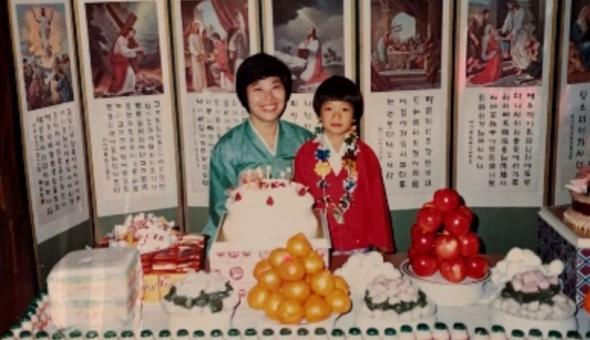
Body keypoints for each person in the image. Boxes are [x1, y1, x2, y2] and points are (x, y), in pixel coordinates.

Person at [202, 53, 313, 249]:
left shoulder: (304, 140)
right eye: (258, 89)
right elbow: (220, 210)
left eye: (275, 87)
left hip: (296, 241)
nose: (268, 97)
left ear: (286, 91)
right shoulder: (228, 148)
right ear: (244, 95)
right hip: (244, 243)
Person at [294, 76, 394, 254]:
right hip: (318, 243)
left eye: (345, 109)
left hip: (360, 240)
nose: (336, 116)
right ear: (319, 113)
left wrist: (382, 241)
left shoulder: (365, 154)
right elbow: (299, 201)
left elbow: (376, 200)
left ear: (354, 114)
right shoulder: (306, 154)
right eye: (329, 108)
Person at [108, 27, 143, 96]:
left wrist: (134, 54)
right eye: (132, 32)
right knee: (119, 77)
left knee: (131, 73)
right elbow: (123, 50)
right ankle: (115, 92)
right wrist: (135, 50)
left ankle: (127, 90)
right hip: (117, 60)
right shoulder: (120, 38)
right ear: (128, 32)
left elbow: (125, 53)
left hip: (123, 60)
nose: (133, 34)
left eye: (134, 33)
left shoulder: (126, 40)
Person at [500, 0, 532, 72]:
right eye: (507, 5)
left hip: (521, 33)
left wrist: (511, 34)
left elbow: (518, 24)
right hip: (514, 34)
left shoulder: (521, 11)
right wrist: (503, 30)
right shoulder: (510, 12)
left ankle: (526, 66)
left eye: (509, 4)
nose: (508, 6)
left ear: (513, 3)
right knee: (513, 51)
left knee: (521, 49)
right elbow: (507, 22)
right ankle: (518, 66)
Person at [188, 21, 206, 92]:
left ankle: (202, 86)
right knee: (197, 71)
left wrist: (202, 53)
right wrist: (197, 54)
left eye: (198, 27)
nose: (197, 28)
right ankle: (197, 87)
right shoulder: (191, 36)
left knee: (202, 70)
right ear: (193, 27)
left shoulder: (199, 36)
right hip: (195, 56)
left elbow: (202, 46)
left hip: (200, 55)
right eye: (196, 26)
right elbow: (191, 47)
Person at [571, 4, 590, 70]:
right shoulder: (576, 25)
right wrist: (584, 32)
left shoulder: (587, 24)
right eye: (586, 13)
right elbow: (577, 39)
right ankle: (586, 66)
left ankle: (587, 65)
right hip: (579, 46)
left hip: (586, 44)